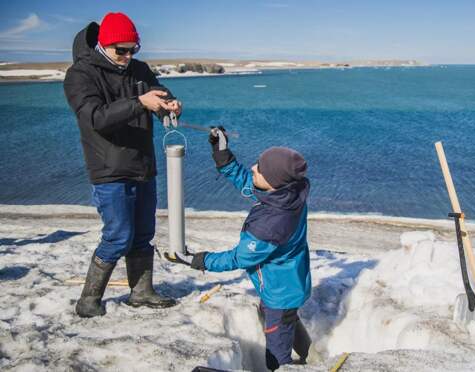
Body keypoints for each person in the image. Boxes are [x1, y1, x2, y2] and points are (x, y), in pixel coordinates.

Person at [63, 12, 181, 318]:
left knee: (143, 233)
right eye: (122, 50)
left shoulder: (139, 69)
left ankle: (141, 293)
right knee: (118, 235)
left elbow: (159, 93)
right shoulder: (80, 74)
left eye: (133, 49)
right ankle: (88, 300)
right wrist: (140, 103)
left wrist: (169, 105)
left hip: (143, 164)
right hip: (109, 168)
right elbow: (94, 118)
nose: (128, 56)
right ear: (104, 44)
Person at [185, 128, 313, 371]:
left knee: (276, 355)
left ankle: (289, 366)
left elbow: (240, 257)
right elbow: (248, 181)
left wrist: (200, 260)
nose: (254, 167)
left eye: (260, 168)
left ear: (274, 181)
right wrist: (222, 155)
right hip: (289, 283)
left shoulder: (272, 224)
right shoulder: (289, 192)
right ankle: (310, 356)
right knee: (288, 319)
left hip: (280, 293)